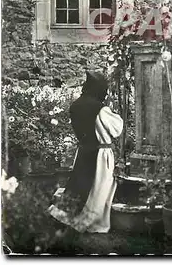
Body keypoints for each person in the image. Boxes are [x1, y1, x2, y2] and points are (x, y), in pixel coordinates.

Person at [48, 71, 123, 233]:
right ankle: (92, 222)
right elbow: (117, 129)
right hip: (101, 154)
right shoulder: (100, 109)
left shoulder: (76, 105)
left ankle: (70, 217)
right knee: (99, 187)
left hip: (83, 151)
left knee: (80, 185)